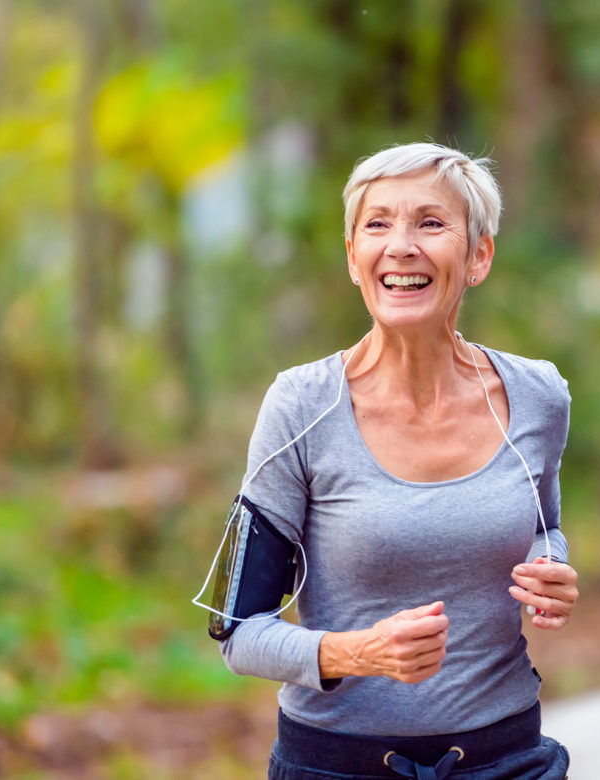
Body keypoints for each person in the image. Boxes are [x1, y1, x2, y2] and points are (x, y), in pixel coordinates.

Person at [198, 142, 576, 779]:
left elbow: (544, 526)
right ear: (353, 258)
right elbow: (237, 630)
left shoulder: (537, 396)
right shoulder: (301, 406)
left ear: (478, 255)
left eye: (431, 223)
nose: (401, 246)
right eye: (377, 224)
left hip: (507, 759)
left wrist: (552, 566)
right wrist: (358, 652)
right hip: (336, 764)